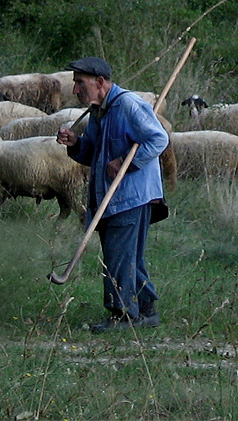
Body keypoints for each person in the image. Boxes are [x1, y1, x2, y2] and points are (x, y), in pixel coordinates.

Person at [56, 57, 169, 333]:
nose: (75, 90)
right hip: (109, 195)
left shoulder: (128, 105)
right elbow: (94, 153)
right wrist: (75, 144)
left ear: (101, 83)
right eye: (75, 84)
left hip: (130, 196)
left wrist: (126, 162)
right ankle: (146, 309)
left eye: (80, 83)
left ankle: (122, 314)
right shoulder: (99, 112)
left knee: (118, 257)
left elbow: (158, 139)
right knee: (128, 256)